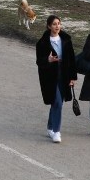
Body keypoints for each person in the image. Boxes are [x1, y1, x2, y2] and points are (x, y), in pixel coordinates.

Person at [35, 15, 77, 143]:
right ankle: (57, 132)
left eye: (58, 23)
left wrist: (72, 77)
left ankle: (50, 127)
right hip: (49, 76)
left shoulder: (66, 40)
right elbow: (39, 61)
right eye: (54, 24)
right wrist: (48, 60)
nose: (57, 26)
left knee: (57, 102)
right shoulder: (42, 43)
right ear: (49, 26)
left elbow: (72, 60)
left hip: (63, 74)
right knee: (57, 102)